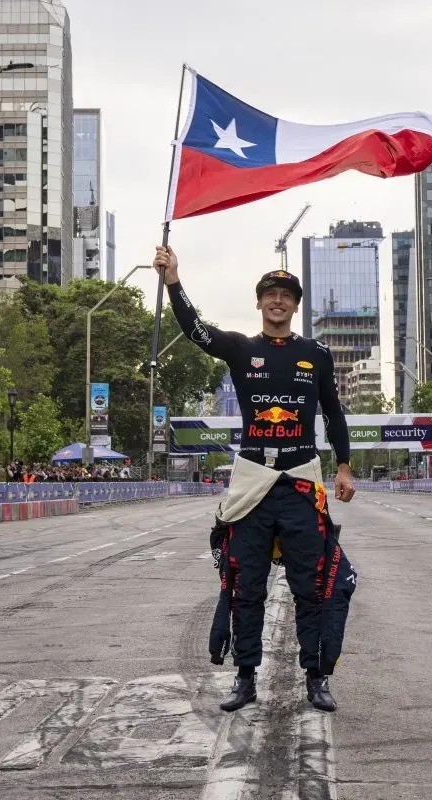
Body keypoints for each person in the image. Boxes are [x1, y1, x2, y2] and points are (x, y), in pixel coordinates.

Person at [154, 245, 356, 714]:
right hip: (251, 484)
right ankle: (244, 678)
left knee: (312, 586)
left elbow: (334, 413)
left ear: (295, 305)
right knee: (246, 586)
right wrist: (173, 282)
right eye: (270, 294)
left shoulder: (316, 354)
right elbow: (196, 331)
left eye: (286, 295)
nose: (278, 301)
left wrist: (344, 466)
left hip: (302, 482)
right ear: (259, 302)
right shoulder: (242, 349)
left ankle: (317, 677)